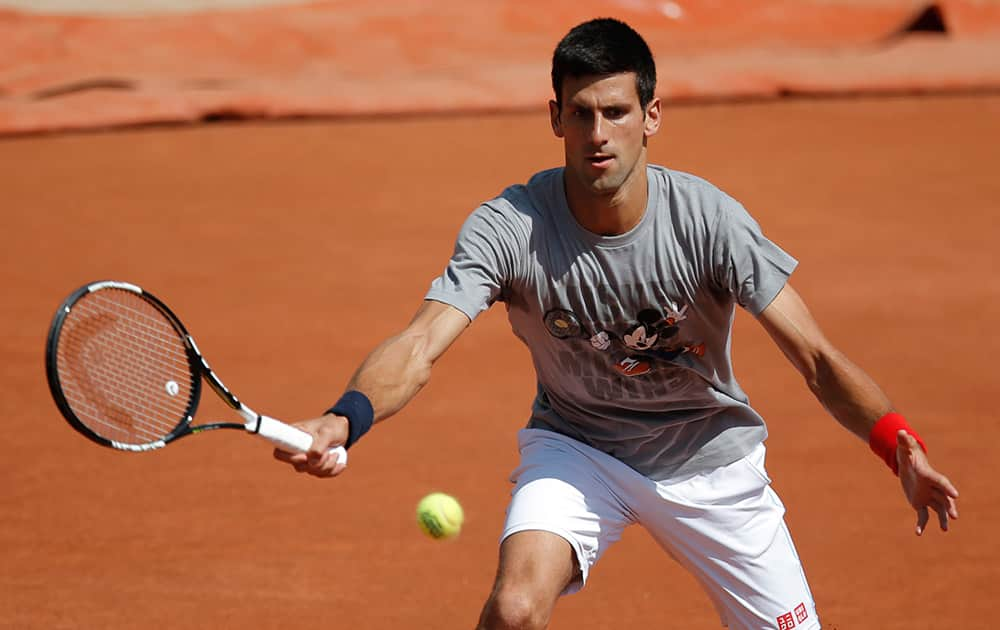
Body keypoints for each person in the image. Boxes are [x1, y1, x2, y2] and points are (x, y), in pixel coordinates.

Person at [273, 18, 960, 630]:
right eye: (580, 113)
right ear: (555, 118)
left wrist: (897, 442)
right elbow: (422, 341)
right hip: (579, 449)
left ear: (652, 115)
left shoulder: (710, 222)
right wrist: (343, 419)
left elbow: (814, 356)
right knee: (513, 611)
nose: (598, 135)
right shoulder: (510, 227)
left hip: (708, 460)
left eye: (616, 111)